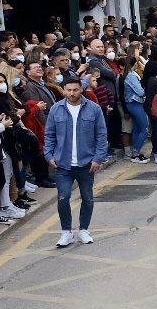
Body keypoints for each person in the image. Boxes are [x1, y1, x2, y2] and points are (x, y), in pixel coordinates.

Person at [44, 77, 110, 248]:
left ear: (81, 89)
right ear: (64, 90)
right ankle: (66, 232)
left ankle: (83, 229)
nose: (72, 93)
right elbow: (49, 135)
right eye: (69, 90)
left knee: (87, 198)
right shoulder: (56, 109)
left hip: (86, 164)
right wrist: (49, 155)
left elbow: (102, 135)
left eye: (75, 90)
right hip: (63, 164)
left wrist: (98, 158)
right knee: (63, 197)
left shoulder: (94, 109)